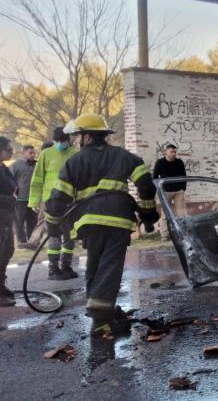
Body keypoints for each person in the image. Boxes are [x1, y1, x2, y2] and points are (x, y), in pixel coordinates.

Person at [45, 114, 158, 336]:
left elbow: (59, 198)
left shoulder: (74, 162)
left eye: (78, 136)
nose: (77, 141)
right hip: (118, 221)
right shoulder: (124, 157)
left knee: (95, 267)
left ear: (87, 136)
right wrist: (147, 213)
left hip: (89, 223)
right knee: (110, 267)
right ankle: (101, 321)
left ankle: (100, 313)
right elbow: (146, 185)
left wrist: (52, 224)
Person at [29, 128, 78, 280]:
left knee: (70, 236)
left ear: (68, 140)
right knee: (53, 236)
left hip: (70, 202)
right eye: (58, 141)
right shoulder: (46, 154)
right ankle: (53, 268)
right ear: (54, 140)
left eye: (64, 141)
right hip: (49, 202)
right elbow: (37, 179)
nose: (61, 144)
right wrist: (34, 201)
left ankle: (66, 266)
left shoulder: (75, 154)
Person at [152, 143, 187, 241]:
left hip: (178, 192)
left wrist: (183, 188)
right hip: (165, 192)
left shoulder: (179, 162)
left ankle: (183, 233)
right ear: (165, 152)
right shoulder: (160, 162)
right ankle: (164, 235)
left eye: (175, 152)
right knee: (165, 214)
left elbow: (184, 176)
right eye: (171, 151)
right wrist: (159, 190)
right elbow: (155, 177)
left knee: (181, 214)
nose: (173, 154)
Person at [0, 137, 18, 307]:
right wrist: (9, 200)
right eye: (8, 149)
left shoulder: (4, 168)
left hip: (5, 217)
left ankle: (1, 285)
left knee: (7, 250)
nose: (11, 152)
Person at [10, 145, 37, 248]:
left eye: (34, 153)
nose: (33, 155)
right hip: (20, 199)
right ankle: (21, 242)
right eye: (31, 152)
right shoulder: (15, 165)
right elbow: (10, 181)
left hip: (33, 199)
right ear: (24, 153)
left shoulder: (36, 165)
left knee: (32, 221)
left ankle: (31, 241)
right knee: (19, 221)